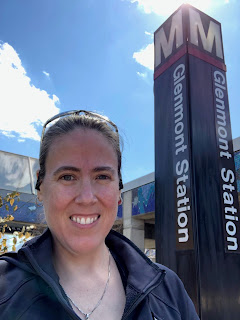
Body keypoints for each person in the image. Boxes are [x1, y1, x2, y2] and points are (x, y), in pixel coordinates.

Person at [0, 110, 199, 320]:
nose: (86, 198)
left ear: (119, 189)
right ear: (40, 186)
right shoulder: (5, 290)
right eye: (68, 176)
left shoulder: (168, 289)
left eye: (102, 176)